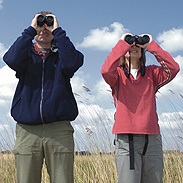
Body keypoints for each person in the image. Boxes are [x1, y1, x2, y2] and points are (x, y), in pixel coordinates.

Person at [3, 11, 84, 183]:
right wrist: (31, 30)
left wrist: (58, 32)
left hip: (59, 129)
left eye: (49, 23)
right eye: (41, 23)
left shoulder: (62, 56)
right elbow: (10, 59)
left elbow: (73, 63)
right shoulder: (26, 56)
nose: (44, 28)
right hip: (27, 129)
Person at [101, 33, 179, 183]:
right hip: (126, 140)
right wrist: (122, 43)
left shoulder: (152, 73)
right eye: (130, 45)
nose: (134, 47)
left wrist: (151, 45)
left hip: (152, 139)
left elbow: (173, 68)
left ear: (143, 51)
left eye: (137, 45)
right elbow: (105, 70)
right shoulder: (116, 75)